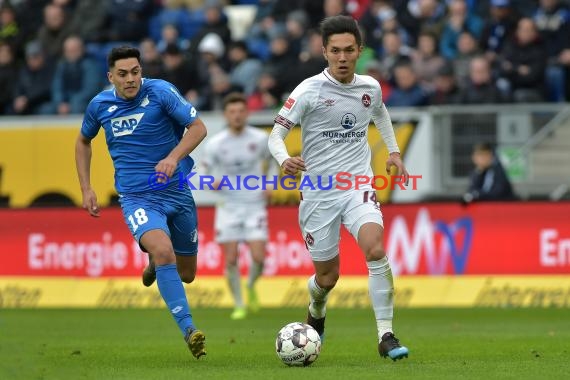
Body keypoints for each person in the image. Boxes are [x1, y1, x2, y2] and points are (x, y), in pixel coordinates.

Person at [268, 15, 410, 361]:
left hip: (358, 184)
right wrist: (284, 159)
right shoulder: (308, 91)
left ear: (359, 50)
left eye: (349, 50)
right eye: (336, 51)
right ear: (324, 51)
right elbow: (275, 135)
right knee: (327, 277)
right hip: (318, 193)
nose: (343, 57)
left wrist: (393, 152)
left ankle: (386, 335)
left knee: (375, 249)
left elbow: (381, 115)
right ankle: (316, 308)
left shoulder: (370, 88)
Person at [74, 46, 207, 359]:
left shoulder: (161, 93)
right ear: (111, 77)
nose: (131, 79)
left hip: (177, 193)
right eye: (123, 74)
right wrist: (86, 187)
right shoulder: (100, 105)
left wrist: (173, 157)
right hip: (138, 198)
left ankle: (153, 262)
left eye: (135, 71)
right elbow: (83, 141)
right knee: (164, 251)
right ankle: (189, 330)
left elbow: (198, 128)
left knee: (187, 274)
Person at [201, 92, 276, 320]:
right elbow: (203, 171)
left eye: (241, 111)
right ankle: (239, 303)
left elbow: (273, 161)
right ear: (226, 114)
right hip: (228, 206)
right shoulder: (216, 143)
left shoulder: (260, 138)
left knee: (259, 257)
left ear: (247, 113)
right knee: (231, 259)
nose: (237, 115)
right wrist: (209, 181)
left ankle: (251, 285)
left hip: (254, 204)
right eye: (232, 111)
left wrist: (271, 182)